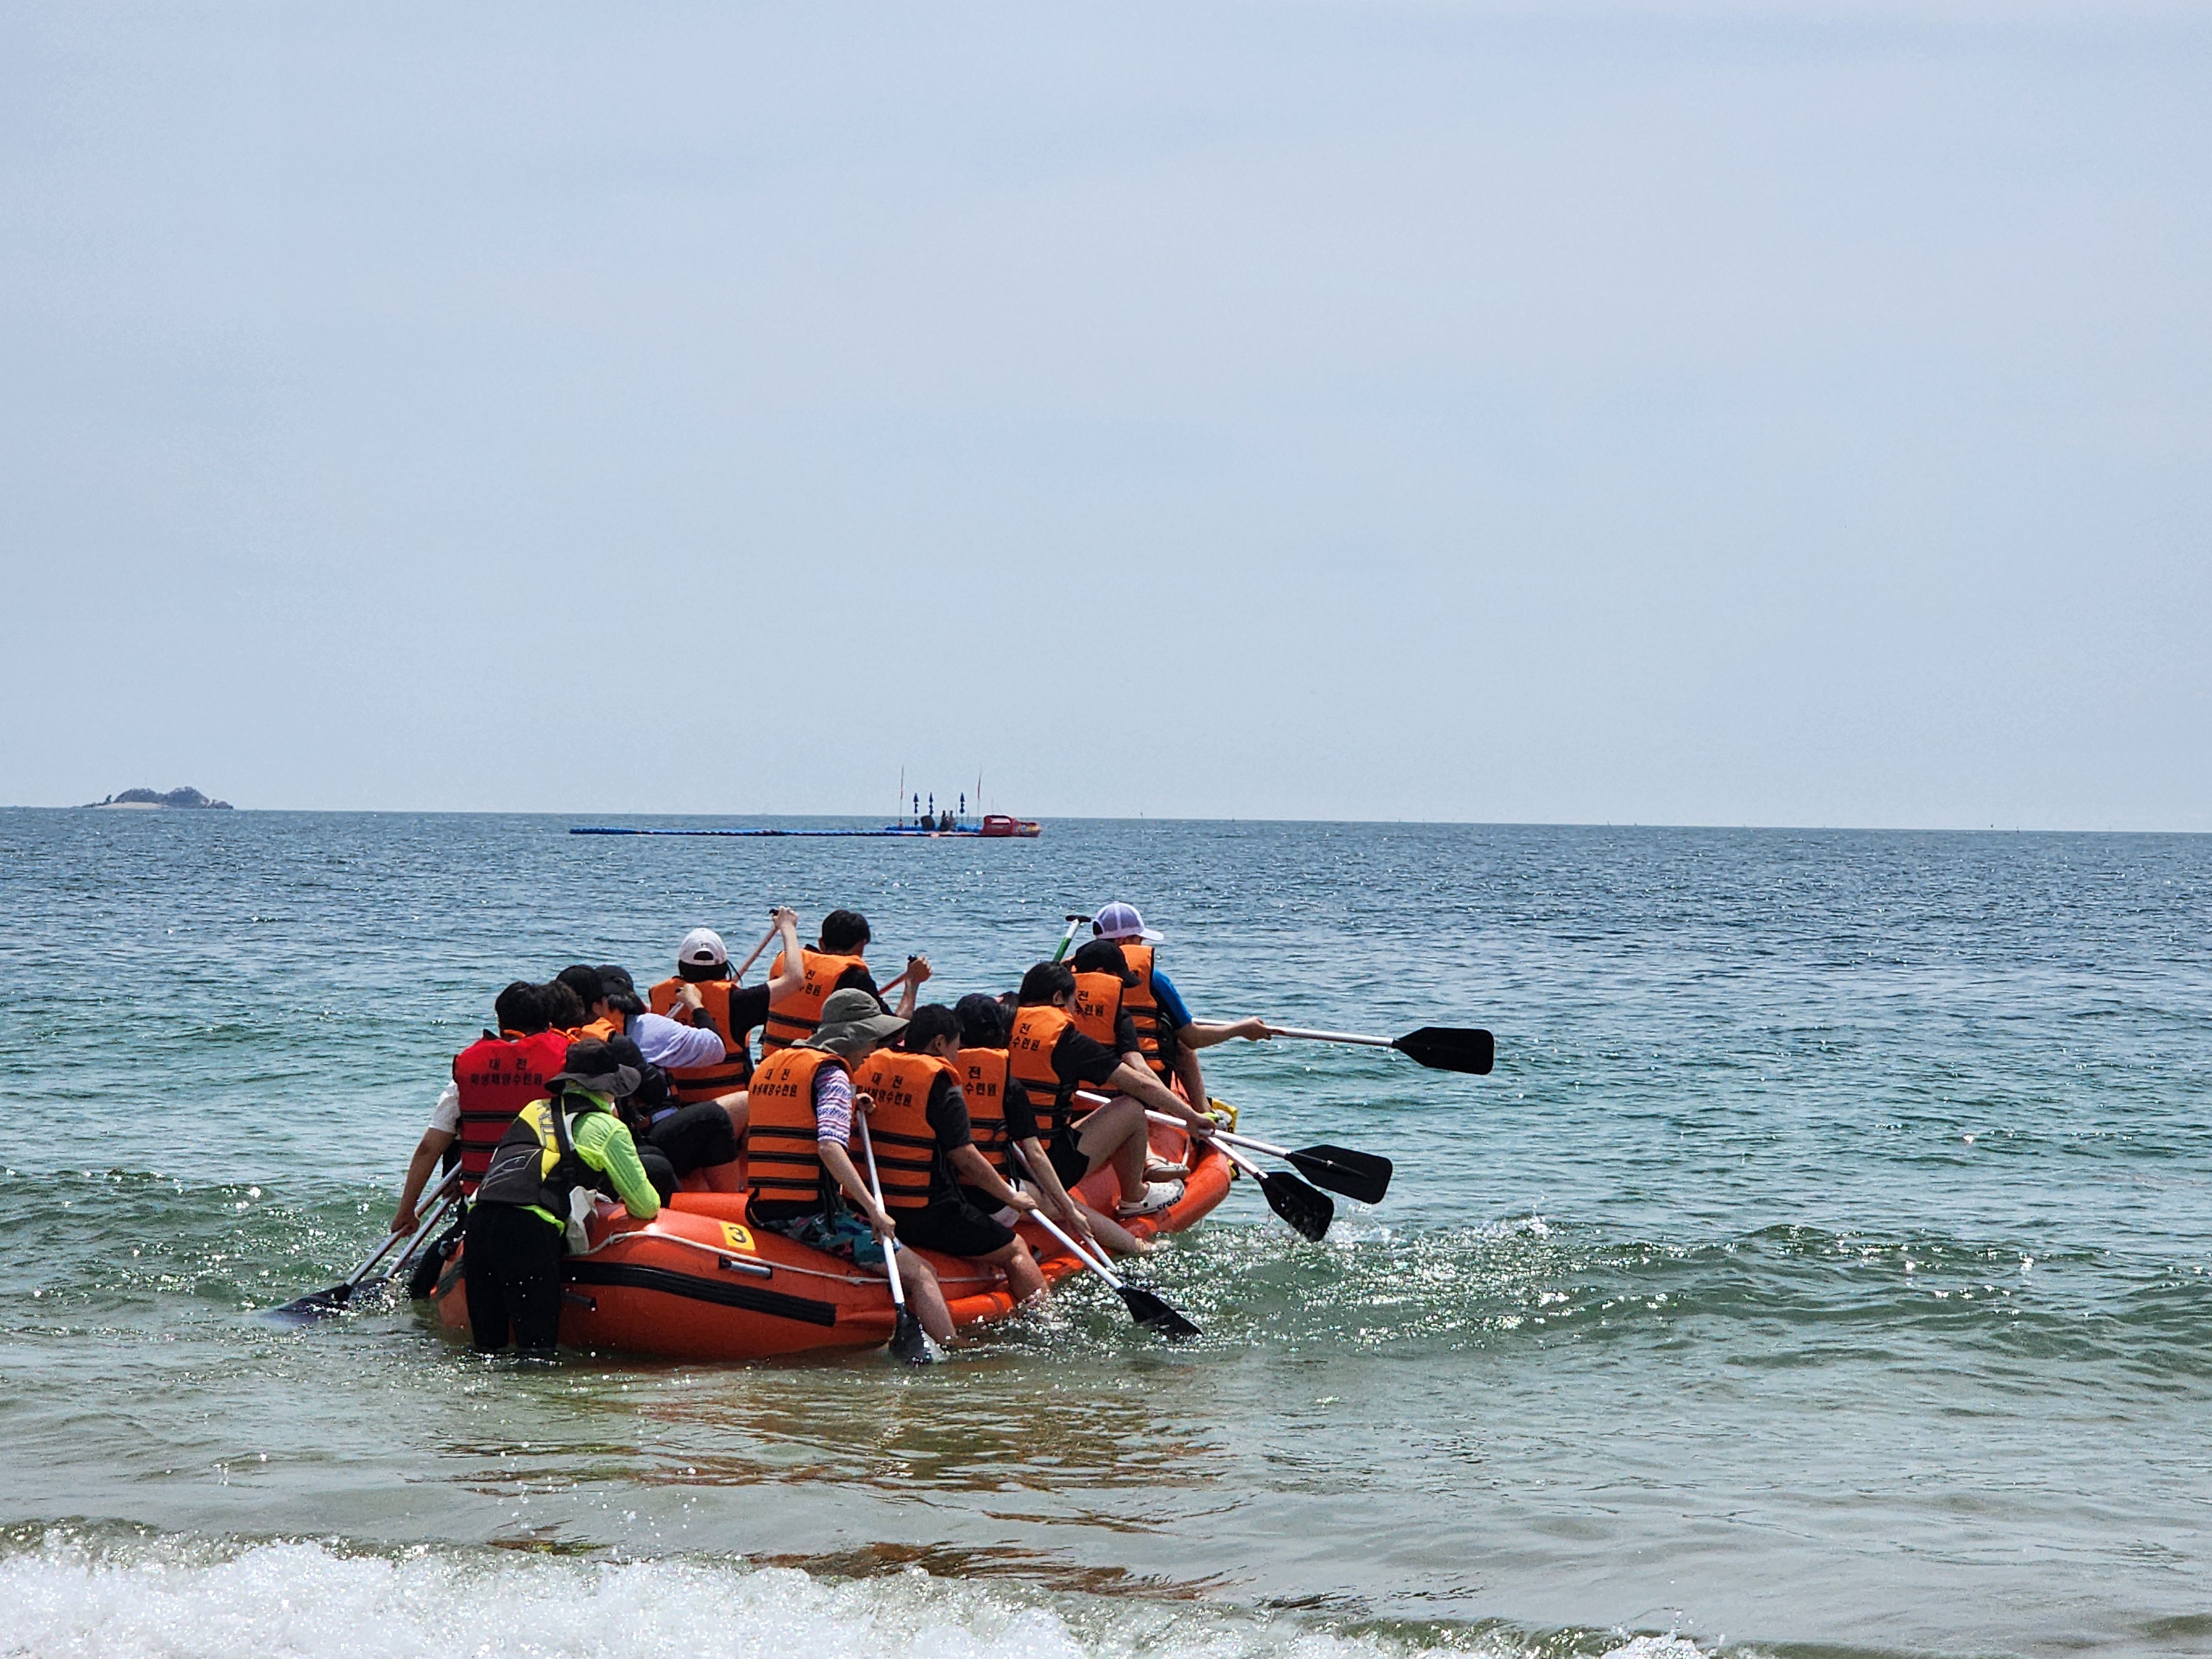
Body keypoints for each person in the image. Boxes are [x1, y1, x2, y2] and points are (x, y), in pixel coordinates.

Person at [745, 988, 957, 1344]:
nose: (872, 1051)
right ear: (852, 1035)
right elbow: (829, 1147)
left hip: (763, 1207)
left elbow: (795, 1118)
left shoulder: (774, 1064)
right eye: (870, 1039)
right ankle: (953, 1352)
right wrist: (875, 1211)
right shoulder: (832, 1076)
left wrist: (850, 1102)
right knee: (921, 1273)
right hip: (808, 1215)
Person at [462, 1039, 662, 1356]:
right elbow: (646, 1205)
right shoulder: (608, 1128)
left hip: (479, 1222)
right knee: (536, 1354)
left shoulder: (533, 1109)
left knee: (486, 1350)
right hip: (529, 1230)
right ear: (610, 1088)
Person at [857, 1005, 1046, 1303]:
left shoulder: (866, 1066)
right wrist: (1012, 1198)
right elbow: (965, 1157)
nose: (958, 1057)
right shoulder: (940, 1084)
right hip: (924, 1216)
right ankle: (1046, 1320)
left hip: (870, 1208)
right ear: (940, 1044)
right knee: (1015, 1249)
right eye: (956, 1047)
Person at [1006, 961, 1219, 1222]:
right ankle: (1135, 1196)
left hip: (1003, 1159)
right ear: (1058, 998)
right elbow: (1139, 1083)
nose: (1075, 1011)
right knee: (1130, 1108)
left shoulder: (999, 1025)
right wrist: (1190, 1115)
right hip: (1046, 1164)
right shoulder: (1067, 1042)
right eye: (1075, 1003)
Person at [952, 992, 1138, 1256]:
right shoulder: (1008, 1086)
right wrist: (1069, 1209)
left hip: (946, 1190)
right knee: (1058, 1203)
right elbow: (1035, 1154)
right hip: (990, 1198)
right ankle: (1136, 1247)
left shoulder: (941, 1078)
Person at [390, 982, 569, 1237]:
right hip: (546, 1200)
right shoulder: (565, 1065)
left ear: (500, 1022)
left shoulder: (467, 1070)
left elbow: (429, 1148)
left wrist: (407, 1211)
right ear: (549, 1025)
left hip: (481, 1202)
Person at [1088, 901, 1275, 1115]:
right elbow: (1194, 1037)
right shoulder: (1154, 980)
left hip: (1086, 1086)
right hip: (1139, 1090)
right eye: (1139, 939)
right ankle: (1203, 1112)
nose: (1142, 945)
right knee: (1181, 1043)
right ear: (1124, 941)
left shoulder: (1073, 978)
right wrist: (1241, 1029)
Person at [586, 963, 750, 1193]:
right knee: (744, 1103)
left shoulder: (577, 1036)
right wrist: (696, 1005)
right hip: (653, 1136)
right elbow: (714, 1048)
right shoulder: (646, 1027)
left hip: (618, 1140)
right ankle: (734, 1196)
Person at [645, 910, 806, 1100]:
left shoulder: (657, 997)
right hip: (729, 1111)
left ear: (681, 966)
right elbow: (795, 979)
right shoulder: (738, 1001)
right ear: (723, 967)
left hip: (676, 1108)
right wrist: (787, 927)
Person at [759, 909, 930, 1053]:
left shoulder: (789, 964)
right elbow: (896, 1031)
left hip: (772, 1063)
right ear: (862, 945)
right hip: (819, 1070)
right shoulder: (853, 975)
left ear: (821, 943)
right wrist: (912, 982)